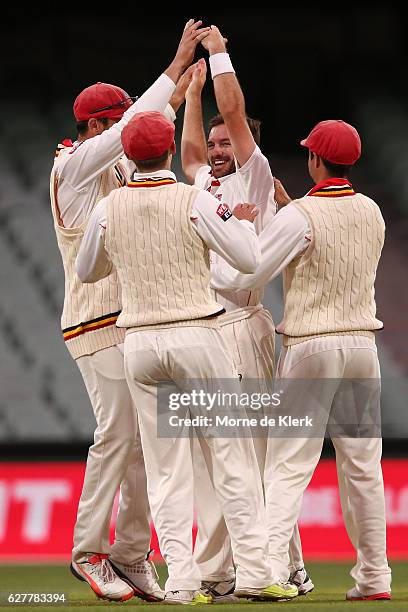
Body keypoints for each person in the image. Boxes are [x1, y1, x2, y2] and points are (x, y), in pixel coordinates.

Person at [75, 110, 299, 605]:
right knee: (231, 456)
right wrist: (240, 223)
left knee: (166, 469)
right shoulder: (194, 198)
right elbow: (246, 258)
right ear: (170, 151)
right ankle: (258, 574)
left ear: (128, 155)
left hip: (139, 344)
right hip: (197, 336)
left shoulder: (108, 209)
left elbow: (88, 271)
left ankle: (180, 580)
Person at [49, 19, 210, 602]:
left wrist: (184, 89)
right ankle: (88, 549)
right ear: (94, 126)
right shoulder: (73, 167)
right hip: (94, 321)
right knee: (117, 432)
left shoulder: (113, 162)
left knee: (146, 441)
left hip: (129, 320)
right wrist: (173, 65)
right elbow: (136, 126)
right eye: (113, 120)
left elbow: (148, 129)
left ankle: (131, 555)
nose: (122, 129)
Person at [211, 119, 392, 601]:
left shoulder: (301, 216)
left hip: (311, 345)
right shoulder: (372, 211)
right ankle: (375, 577)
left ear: (315, 160)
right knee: (363, 469)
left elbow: (245, 273)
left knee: (287, 466)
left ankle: (268, 569)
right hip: (361, 348)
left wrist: (240, 230)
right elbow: (334, 248)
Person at [181, 27, 311, 600]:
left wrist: (220, 55)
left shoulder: (254, 174)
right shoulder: (207, 182)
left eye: (226, 143)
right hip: (208, 328)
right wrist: (189, 96)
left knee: (256, 452)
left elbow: (234, 110)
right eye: (215, 145)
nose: (216, 152)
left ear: (246, 146)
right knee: (215, 456)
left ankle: (284, 567)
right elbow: (187, 156)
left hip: (245, 326)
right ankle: (219, 572)